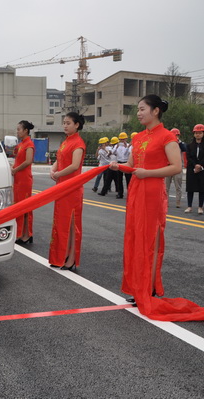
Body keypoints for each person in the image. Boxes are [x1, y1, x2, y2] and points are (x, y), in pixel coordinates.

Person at [109, 94, 204, 320]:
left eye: (142, 109)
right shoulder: (139, 137)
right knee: (134, 237)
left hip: (152, 193)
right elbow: (132, 165)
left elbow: (176, 167)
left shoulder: (166, 137)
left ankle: (148, 288)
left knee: (150, 240)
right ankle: (136, 288)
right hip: (136, 192)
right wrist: (118, 166)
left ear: (156, 111)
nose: (139, 113)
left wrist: (147, 173)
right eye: (138, 109)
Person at [49, 112, 86, 271]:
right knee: (60, 222)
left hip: (72, 188)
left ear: (77, 125)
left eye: (68, 123)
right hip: (62, 186)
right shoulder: (66, 142)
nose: (65, 125)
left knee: (71, 223)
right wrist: (53, 169)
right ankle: (60, 256)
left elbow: (75, 165)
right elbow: (59, 158)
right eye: (64, 123)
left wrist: (58, 174)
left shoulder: (78, 143)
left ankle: (71, 258)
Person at [11, 120, 35, 244]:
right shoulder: (20, 144)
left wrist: (15, 169)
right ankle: (20, 233)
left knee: (25, 207)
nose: (17, 131)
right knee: (18, 206)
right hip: (18, 179)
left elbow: (28, 161)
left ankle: (26, 234)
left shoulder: (29, 144)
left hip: (24, 179)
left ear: (26, 130)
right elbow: (18, 160)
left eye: (19, 129)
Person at [185, 124, 204, 214]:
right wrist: (195, 165)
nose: (198, 135)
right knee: (190, 188)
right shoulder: (189, 145)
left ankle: (200, 207)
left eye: (200, 133)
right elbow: (188, 157)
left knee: (202, 189)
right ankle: (189, 206)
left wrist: (200, 165)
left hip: (202, 169)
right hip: (191, 169)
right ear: (194, 134)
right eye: (196, 133)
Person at [165, 128, 186, 208]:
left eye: (176, 135)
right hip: (168, 166)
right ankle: (166, 202)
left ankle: (178, 201)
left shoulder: (181, 144)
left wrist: (178, 142)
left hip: (177, 167)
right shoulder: (167, 143)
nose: (175, 137)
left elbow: (185, 149)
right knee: (166, 187)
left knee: (178, 186)